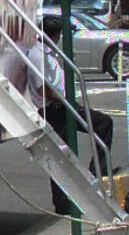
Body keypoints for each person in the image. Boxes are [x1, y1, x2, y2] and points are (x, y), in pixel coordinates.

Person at [26, 16, 115, 214]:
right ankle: (65, 200)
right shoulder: (38, 55)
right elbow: (42, 89)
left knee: (99, 126)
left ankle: (96, 172)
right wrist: (63, 100)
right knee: (62, 155)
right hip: (54, 109)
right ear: (53, 35)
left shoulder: (47, 53)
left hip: (61, 105)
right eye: (58, 36)